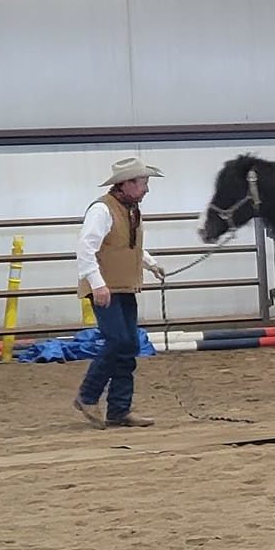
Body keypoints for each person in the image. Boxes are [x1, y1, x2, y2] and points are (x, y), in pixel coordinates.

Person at [72, 156, 167, 429]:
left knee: (128, 345)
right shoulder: (102, 210)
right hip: (106, 287)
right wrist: (97, 284)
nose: (147, 188)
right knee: (117, 341)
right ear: (126, 184)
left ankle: (119, 409)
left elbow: (129, 244)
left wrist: (150, 263)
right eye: (143, 182)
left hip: (122, 286)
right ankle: (88, 395)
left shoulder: (129, 209)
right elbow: (86, 248)